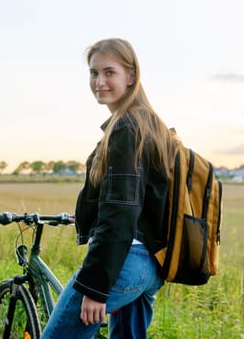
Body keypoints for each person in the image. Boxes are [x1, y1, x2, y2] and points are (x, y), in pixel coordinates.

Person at [41, 38, 180, 339]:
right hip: (150, 265)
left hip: (123, 265)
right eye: (93, 73)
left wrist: (95, 287)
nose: (99, 81)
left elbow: (120, 211)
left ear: (131, 76)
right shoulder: (152, 125)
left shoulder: (126, 128)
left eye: (109, 72)